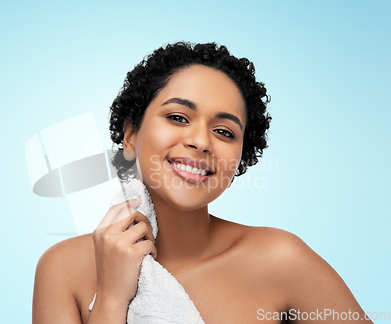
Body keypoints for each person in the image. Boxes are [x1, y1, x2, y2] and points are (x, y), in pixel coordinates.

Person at [32, 42, 372, 324]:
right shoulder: (63, 270)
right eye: (178, 117)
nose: (201, 141)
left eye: (224, 131)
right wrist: (109, 299)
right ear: (131, 134)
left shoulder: (280, 260)